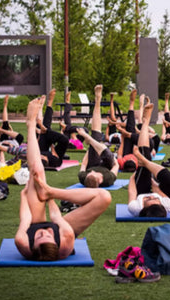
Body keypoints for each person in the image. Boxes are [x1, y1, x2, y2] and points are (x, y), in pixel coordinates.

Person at [14, 96, 111, 261]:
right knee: (105, 197)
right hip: (64, 225)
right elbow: (56, 218)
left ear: (32, 244)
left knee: (36, 171)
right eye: (49, 236)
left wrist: (24, 196)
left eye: (40, 236)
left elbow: (26, 219)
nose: (45, 232)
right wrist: (50, 195)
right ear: (56, 242)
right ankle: (50, 191)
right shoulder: (66, 240)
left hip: (33, 221)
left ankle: (31, 125)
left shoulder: (22, 242)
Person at [127, 100, 170, 217]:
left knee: (145, 153)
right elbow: (157, 190)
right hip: (162, 191)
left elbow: (132, 192)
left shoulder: (135, 208)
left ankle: (145, 122)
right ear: (160, 203)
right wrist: (153, 183)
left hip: (141, 188)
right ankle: (144, 161)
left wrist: (135, 175)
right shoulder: (167, 204)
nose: (151, 196)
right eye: (155, 199)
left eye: (148, 199)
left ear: (143, 206)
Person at [77, 85, 119, 188]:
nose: (92, 172)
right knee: (99, 143)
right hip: (108, 162)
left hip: (93, 162)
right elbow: (116, 165)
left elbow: (84, 164)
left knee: (96, 133)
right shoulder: (108, 179)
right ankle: (90, 139)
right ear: (100, 180)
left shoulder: (83, 177)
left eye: (90, 173)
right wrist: (93, 143)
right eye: (94, 173)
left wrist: (91, 150)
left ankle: (98, 100)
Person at [36, 89, 70, 168]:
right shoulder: (54, 161)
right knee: (64, 140)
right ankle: (48, 104)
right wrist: (50, 140)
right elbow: (54, 153)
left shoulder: (37, 157)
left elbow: (36, 147)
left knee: (44, 130)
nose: (41, 156)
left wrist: (40, 135)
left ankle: (46, 105)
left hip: (43, 147)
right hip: (57, 153)